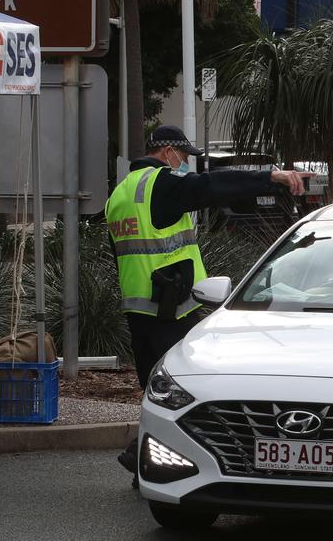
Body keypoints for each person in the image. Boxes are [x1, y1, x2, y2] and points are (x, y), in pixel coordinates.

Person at [109, 125, 309, 479]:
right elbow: (211, 186)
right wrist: (271, 176)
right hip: (169, 304)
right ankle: (156, 461)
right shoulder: (161, 185)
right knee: (184, 386)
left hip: (139, 304)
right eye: (183, 157)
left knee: (158, 386)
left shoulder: (121, 193)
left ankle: (143, 457)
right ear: (167, 152)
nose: (184, 163)